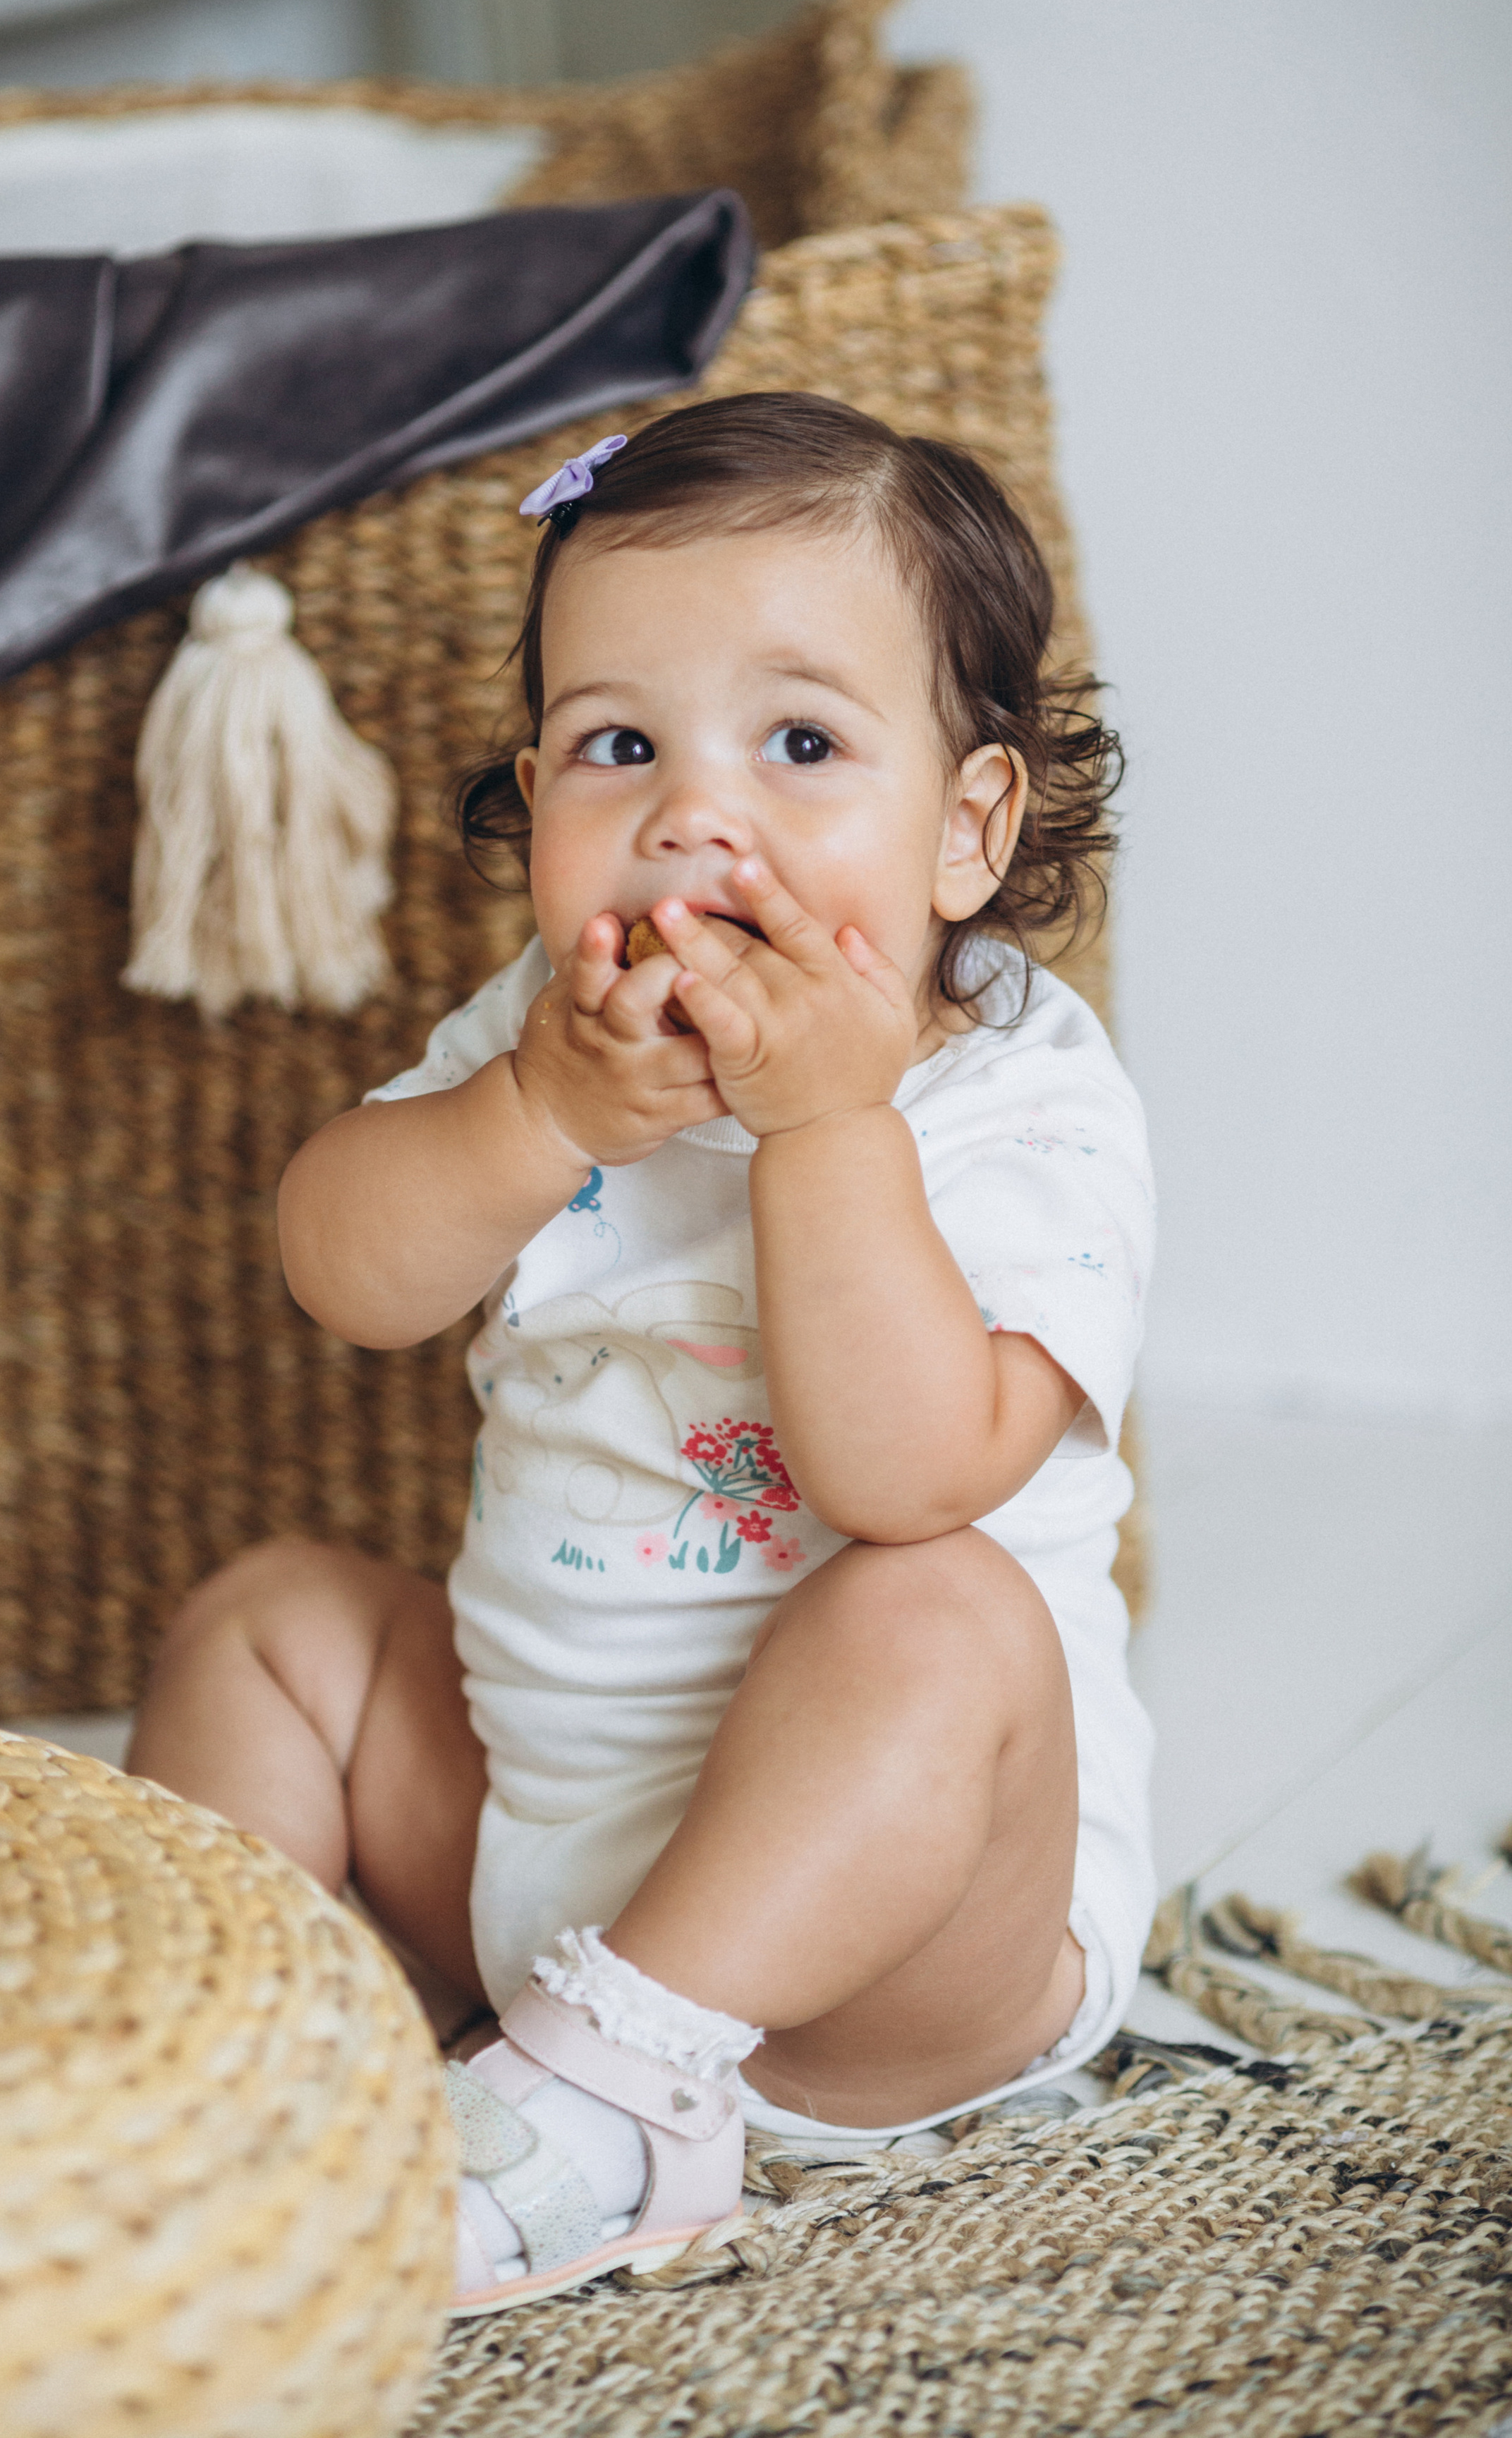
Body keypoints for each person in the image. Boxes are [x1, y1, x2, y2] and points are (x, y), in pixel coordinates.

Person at [128, 393, 1156, 2315]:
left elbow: (903, 1475)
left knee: (940, 1615)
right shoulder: (549, 1039)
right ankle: (247, 2053)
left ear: (966, 825)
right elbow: (347, 1270)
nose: (695, 815)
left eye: (799, 742)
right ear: (535, 801)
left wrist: (828, 1133)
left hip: (895, 1952)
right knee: (273, 1621)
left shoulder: (1022, 1106)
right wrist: (537, 1120)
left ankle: (614, 2103)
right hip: (544, 1848)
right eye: (619, 746)